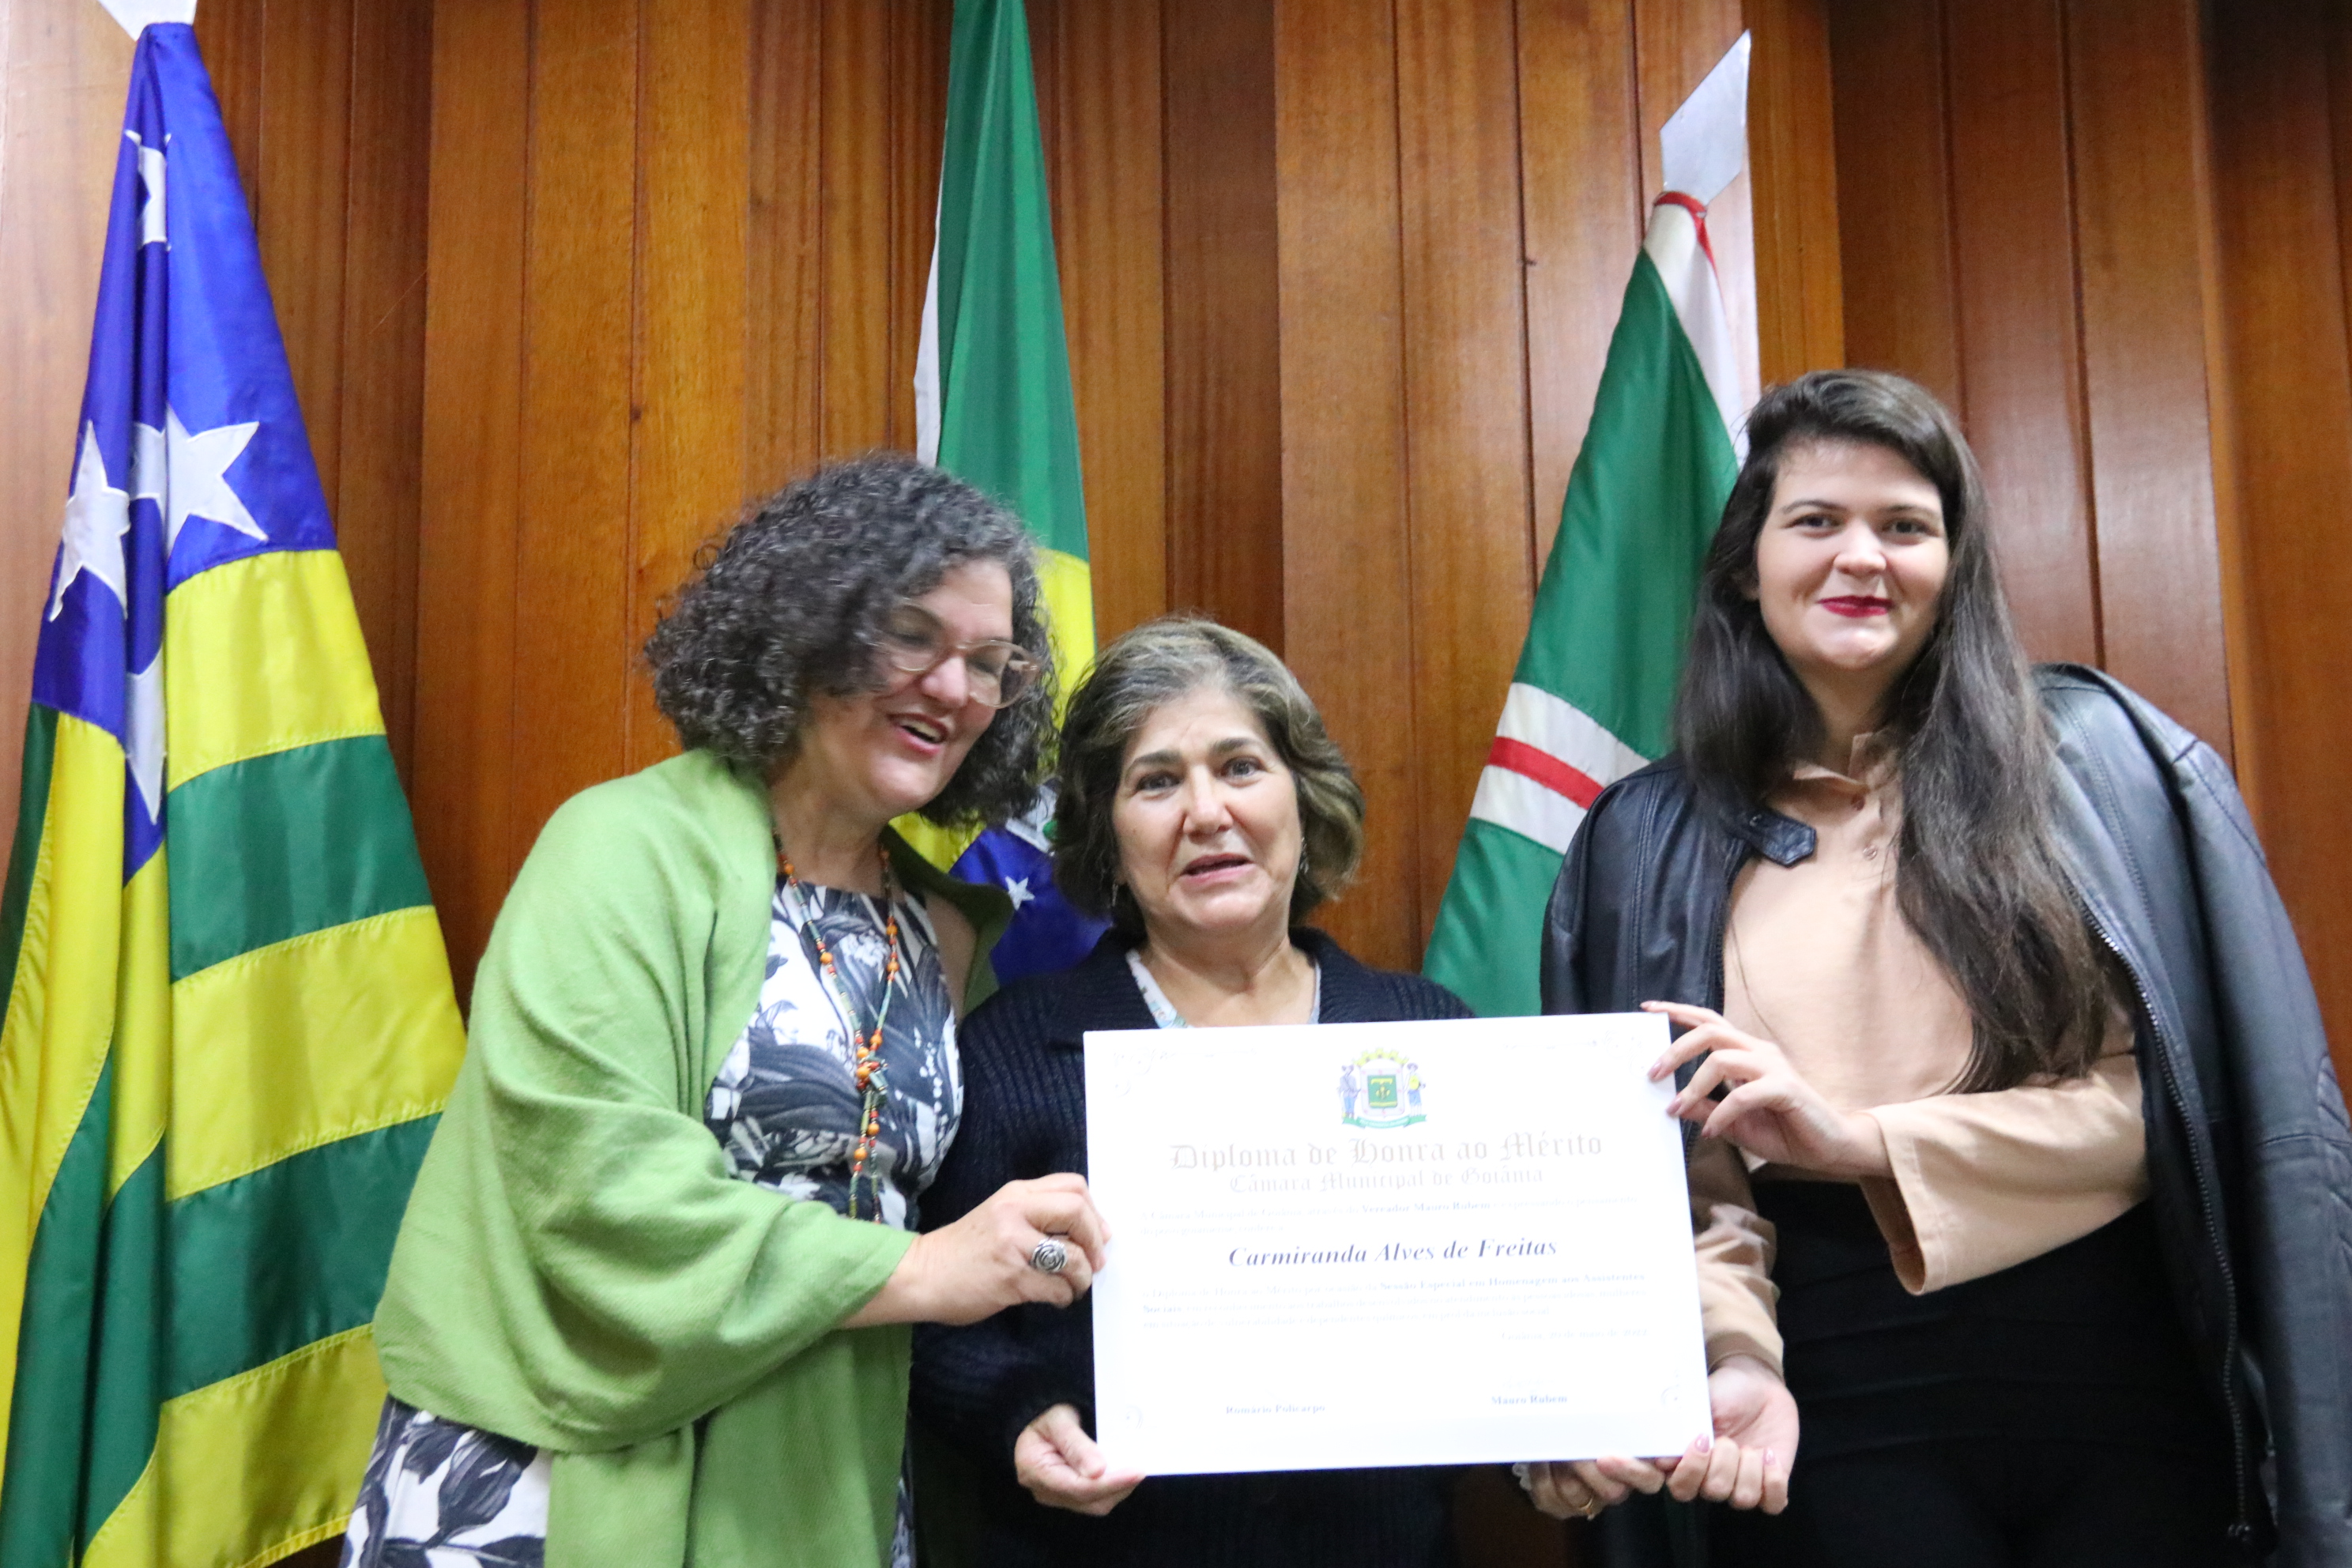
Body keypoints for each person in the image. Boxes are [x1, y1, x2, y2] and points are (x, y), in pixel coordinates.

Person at [1540, 369, 2352, 1566]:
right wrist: (1737, 1357)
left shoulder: (2104, 768)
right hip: (1828, 1406)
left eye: (1905, 526)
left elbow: (2185, 1107)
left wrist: (1864, 1141)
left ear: (1953, 564)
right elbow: (1681, 1184)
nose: (1861, 557)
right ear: (1746, 565)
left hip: (2130, 1386)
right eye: (1816, 520)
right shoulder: (1646, 838)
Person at [345, 454, 1112, 1568]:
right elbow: (597, 1186)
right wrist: (917, 1272)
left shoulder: (947, 929)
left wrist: (1019, 1411)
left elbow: (964, 1244)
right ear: (810, 628)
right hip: (558, 1470)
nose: (954, 689)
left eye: (990, 664)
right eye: (913, 636)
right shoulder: (619, 849)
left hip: (820, 1479)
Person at [909, 617, 1791, 1568]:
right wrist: (1020, 1414)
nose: (1206, 812)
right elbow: (935, 1315)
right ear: (1107, 835)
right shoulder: (1018, 1048)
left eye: (1240, 767)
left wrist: (1547, 1446)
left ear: (1303, 797)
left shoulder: (1429, 1035)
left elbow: (1494, 1326)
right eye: (1156, 781)